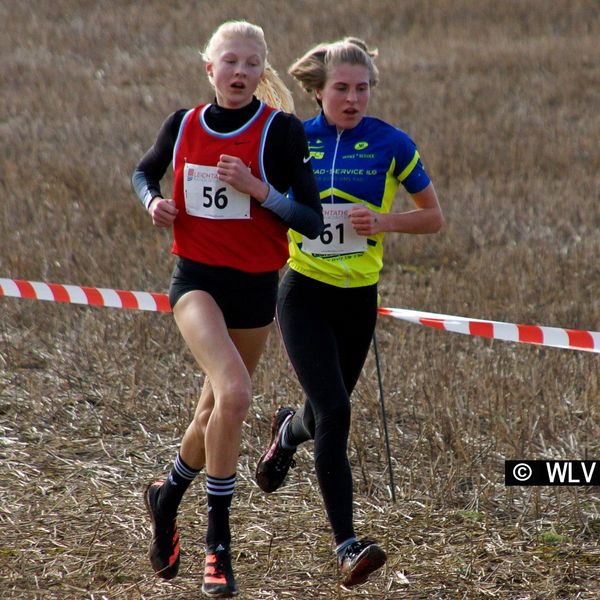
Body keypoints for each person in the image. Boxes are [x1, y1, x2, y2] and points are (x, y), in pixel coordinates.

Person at [131, 20, 323, 598]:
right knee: (236, 395)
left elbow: (311, 220)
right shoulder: (184, 123)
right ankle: (218, 545)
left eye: (250, 64)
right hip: (195, 284)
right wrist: (154, 202)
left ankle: (165, 501)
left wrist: (260, 190)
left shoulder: (281, 132)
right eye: (228, 62)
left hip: (256, 290)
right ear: (208, 68)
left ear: (262, 72)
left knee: (212, 414)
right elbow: (143, 171)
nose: (239, 73)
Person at [255, 37, 444, 589]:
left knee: (323, 412)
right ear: (317, 90)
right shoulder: (294, 138)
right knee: (336, 412)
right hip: (303, 292)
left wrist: (383, 222)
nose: (354, 97)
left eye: (363, 88)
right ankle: (346, 546)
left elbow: (432, 218)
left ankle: (288, 432)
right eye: (342, 88)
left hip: (358, 298)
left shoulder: (391, 143)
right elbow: (264, 201)